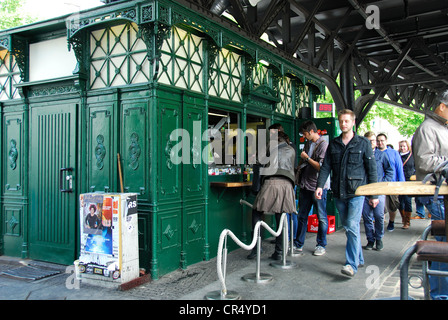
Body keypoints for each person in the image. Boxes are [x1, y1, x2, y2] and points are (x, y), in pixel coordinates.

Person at [315, 109, 378, 277]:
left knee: (350, 226)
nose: (344, 124)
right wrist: (320, 186)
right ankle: (359, 258)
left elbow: (372, 170)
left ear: (353, 123)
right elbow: (326, 166)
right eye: (341, 121)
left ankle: (351, 265)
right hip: (339, 192)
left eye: (347, 121)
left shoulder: (363, 143)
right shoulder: (334, 144)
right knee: (351, 227)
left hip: (357, 192)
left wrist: (374, 195)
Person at [412, 89, 448, 299]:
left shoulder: (441, 127)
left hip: (443, 193)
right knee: (443, 247)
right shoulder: (427, 127)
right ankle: (439, 295)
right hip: (437, 193)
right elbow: (424, 161)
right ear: (442, 106)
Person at [247, 130, 296, 260]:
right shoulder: (292, 149)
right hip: (288, 185)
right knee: (280, 217)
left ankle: (256, 248)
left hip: (271, 183)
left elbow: (257, 163)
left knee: (257, 212)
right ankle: (279, 252)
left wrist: (255, 187)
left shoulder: (271, 145)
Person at [294, 120, 329, 256]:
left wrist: (307, 158)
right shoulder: (308, 143)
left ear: (311, 131)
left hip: (318, 186)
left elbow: (321, 167)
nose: (304, 136)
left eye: (305, 133)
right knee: (302, 215)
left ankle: (321, 244)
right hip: (305, 185)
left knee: (321, 217)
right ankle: (298, 244)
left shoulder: (323, 145)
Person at [362, 132, 394, 251]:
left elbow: (390, 170)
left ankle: (379, 238)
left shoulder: (381, 155)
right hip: (364, 191)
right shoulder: (361, 155)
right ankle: (370, 239)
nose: (371, 143)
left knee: (379, 216)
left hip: (379, 190)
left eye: (373, 140)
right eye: (368, 140)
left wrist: (383, 183)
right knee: (366, 217)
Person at [376, 133, 405, 231]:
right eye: (378, 141)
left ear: (386, 141)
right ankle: (380, 224)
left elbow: (399, 168)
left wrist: (401, 183)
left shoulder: (393, 153)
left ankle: (391, 221)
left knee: (393, 205)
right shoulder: (374, 153)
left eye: (382, 140)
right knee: (380, 206)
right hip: (379, 184)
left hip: (392, 183)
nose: (380, 143)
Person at [398, 140, 415, 228]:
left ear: (407, 146)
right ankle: (403, 218)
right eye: (401, 146)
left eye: (404, 146)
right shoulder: (397, 155)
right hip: (399, 182)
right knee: (400, 202)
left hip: (409, 181)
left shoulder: (412, 156)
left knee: (408, 201)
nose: (402, 148)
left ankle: (407, 222)